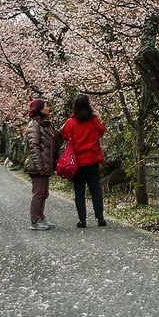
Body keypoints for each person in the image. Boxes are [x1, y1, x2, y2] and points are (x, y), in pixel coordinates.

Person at [61, 94, 106, 228]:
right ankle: (100, 218)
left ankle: (82, 220)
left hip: (78, 162)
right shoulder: (94, 120)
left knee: (79, 191)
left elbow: (64, 135)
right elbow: (102, 131)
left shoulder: (70, 122)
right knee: (95, 190)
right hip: (92, 160)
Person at [24, 99, 61, 231]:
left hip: (45, 165)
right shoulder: (34, 125)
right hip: (37, 166)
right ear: (39, 109)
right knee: (38, 193)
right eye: (45, 106)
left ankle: (41, 217)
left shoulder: (46, 124)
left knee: (44, 193)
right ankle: (35, 220)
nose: (48, 107)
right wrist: (39, 166)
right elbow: (34, 147)